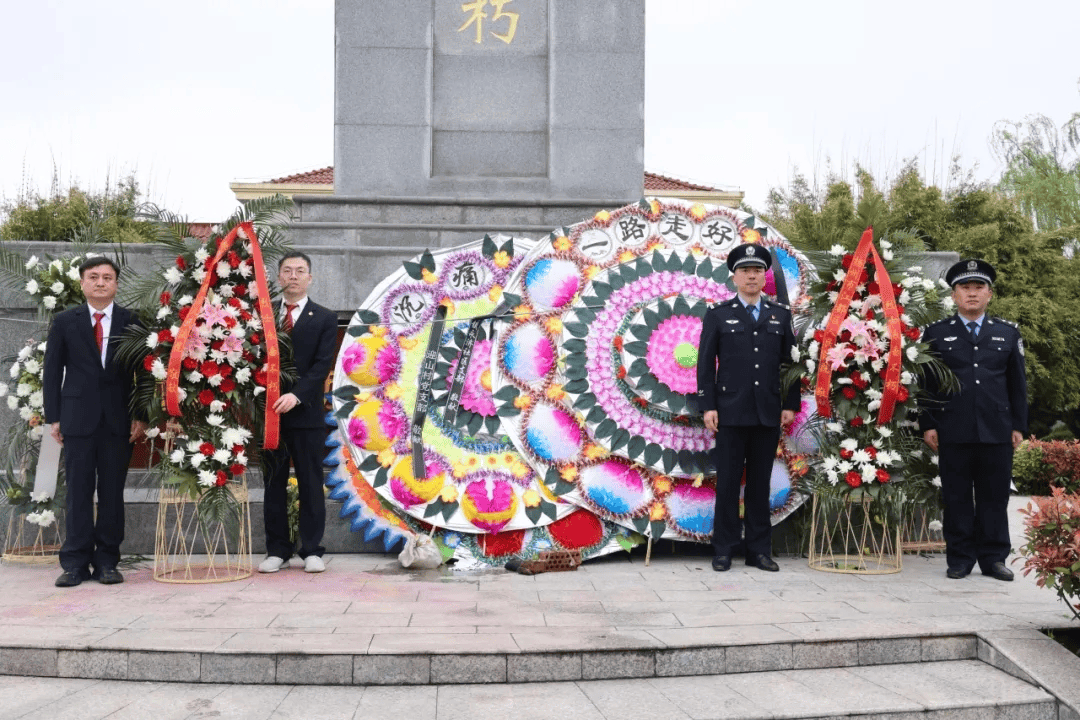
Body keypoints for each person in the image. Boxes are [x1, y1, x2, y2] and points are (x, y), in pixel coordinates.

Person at [920, 259, 1027, 581]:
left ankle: (994, 559)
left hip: (996, 429)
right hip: (953, 427)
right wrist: (928, 423)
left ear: (989, 294)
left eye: (978, 287)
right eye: (965, 288)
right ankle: (960, 558)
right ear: (954, 295)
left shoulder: (1007, 333)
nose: (972, 293)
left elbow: (1017, 384)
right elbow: (926, 384)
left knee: (994, 496)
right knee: (956, 497)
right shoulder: (937, 333)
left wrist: (1019, 425)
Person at [43, 257, 147, 587]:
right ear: (82, 283)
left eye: (107, 277)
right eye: (93, 277)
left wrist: (141, 415)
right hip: (76, 420)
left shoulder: (132, 321)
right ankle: (74, 563)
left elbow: (144, 374)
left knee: (112, 494)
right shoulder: (64, 321)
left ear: (116, 283)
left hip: (119, 422)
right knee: (78, 492)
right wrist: (53, 418)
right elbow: (52, 371)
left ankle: (107, 562)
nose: (100, 282)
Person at [697, 243, 799, 572]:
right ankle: (724, 549)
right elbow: (704, 365)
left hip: (767, 411)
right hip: (729, 411)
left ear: (764, 276)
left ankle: (759, 551)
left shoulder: (780, 316)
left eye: (757, 270)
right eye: (745, 270)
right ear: (734, 277)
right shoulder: (719, 315)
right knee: (727, 482)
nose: (752, 275)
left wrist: (790, 402)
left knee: (759, 483)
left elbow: (791, 364)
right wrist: (708, 405)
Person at [259, 252, 337, 574]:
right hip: (269, 413)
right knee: (273, 482)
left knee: (310, 480)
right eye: (287, 271)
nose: (293, 276)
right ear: (278, 278)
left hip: (306, 414)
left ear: (309, 278)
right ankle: (277, 550)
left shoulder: (325, 317)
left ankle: (312, 550)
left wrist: (296, 395)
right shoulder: (262, 316)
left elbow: (321, 367)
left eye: (300, 271)